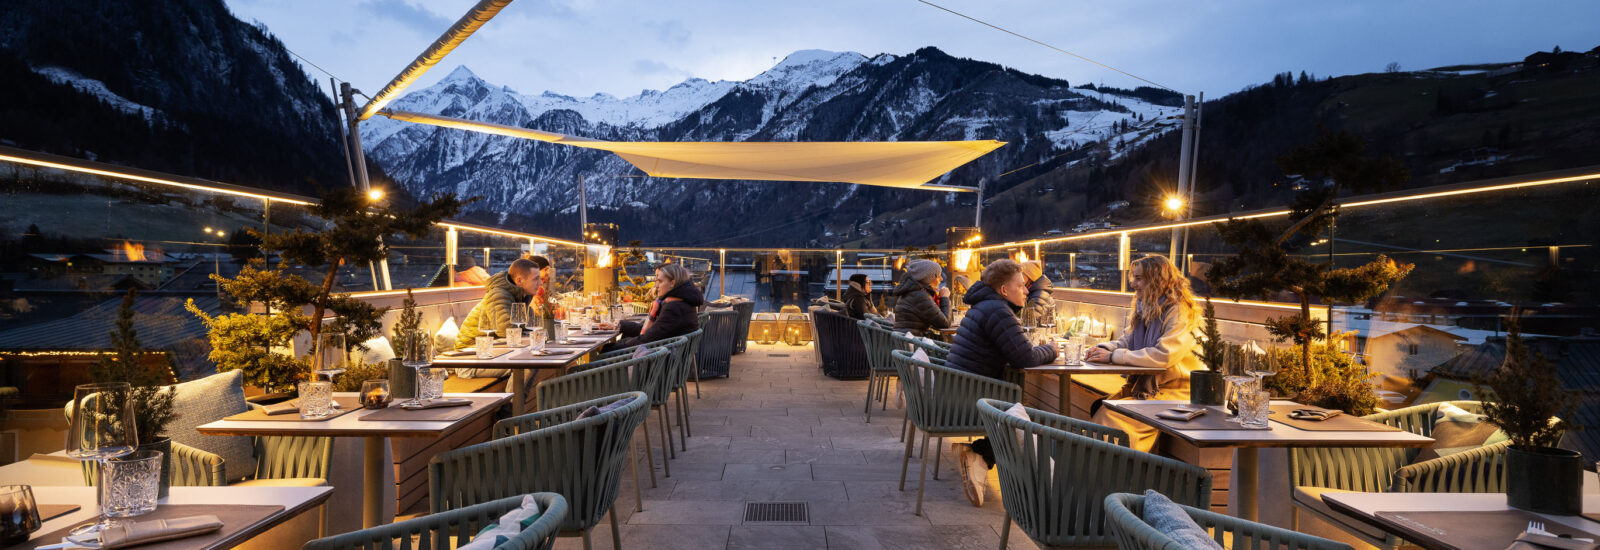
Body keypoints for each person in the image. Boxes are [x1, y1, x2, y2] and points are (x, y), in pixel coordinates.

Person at [946, 259, 1058, 507]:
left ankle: (980, 455)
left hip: (958, 390)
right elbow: (1025, 358)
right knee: (1029, 415)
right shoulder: (997, 311)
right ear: (1004, 290)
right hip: (969, 398)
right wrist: (1052, 349)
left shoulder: (986, 306)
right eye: (1021, 286)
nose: (1027, 290)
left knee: (1021, 406)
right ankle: (1044, 492)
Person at [1086, 255, 1202, 453]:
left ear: (1158, 280)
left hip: (1176, 391)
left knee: (1110, 417)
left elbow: (1164, 356)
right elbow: (1126, 341)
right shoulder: (1147, 307)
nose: (1133, 284)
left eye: (1139, 279)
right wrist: (1105, 348)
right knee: (1101, 407)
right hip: (1149, 387)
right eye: (1134, 278)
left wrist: (1114, 357)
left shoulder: (1180, 311)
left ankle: (1115, 471)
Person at [454, 257, 545, 378]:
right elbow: (507, 332)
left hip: (493, 354)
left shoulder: (521, 296)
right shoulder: (498, 295)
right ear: (519, 280)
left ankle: (520, 396)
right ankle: (516, 398)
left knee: (536, 357)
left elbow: (533, 327)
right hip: (470, 360)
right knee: (529, 364)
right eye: (536, 279)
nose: (540, 283)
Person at [611, 263, 702, 349]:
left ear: (672, 283)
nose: (656, 285)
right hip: (670, 355)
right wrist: (620, 325)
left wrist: (612, 349)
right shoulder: (681, 301)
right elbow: (653, 332)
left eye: (660, 281)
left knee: (608, 349)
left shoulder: (674, 307)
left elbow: (648, 339)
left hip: (661, 361)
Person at [891, 259, 950, 336]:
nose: (941, 279)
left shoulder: (913, 292)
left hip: (910, 338)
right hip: (914, 343)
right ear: (929, 278)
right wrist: (944, 297)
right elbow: (944, 323)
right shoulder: (920, 296)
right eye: (938, 276)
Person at [1018, 260, 1055, 327]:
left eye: (1022, 274)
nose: (1019, 276)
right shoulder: (1032, 290)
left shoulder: (1040, 294)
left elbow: (1031, 321)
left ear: (1030, 277)